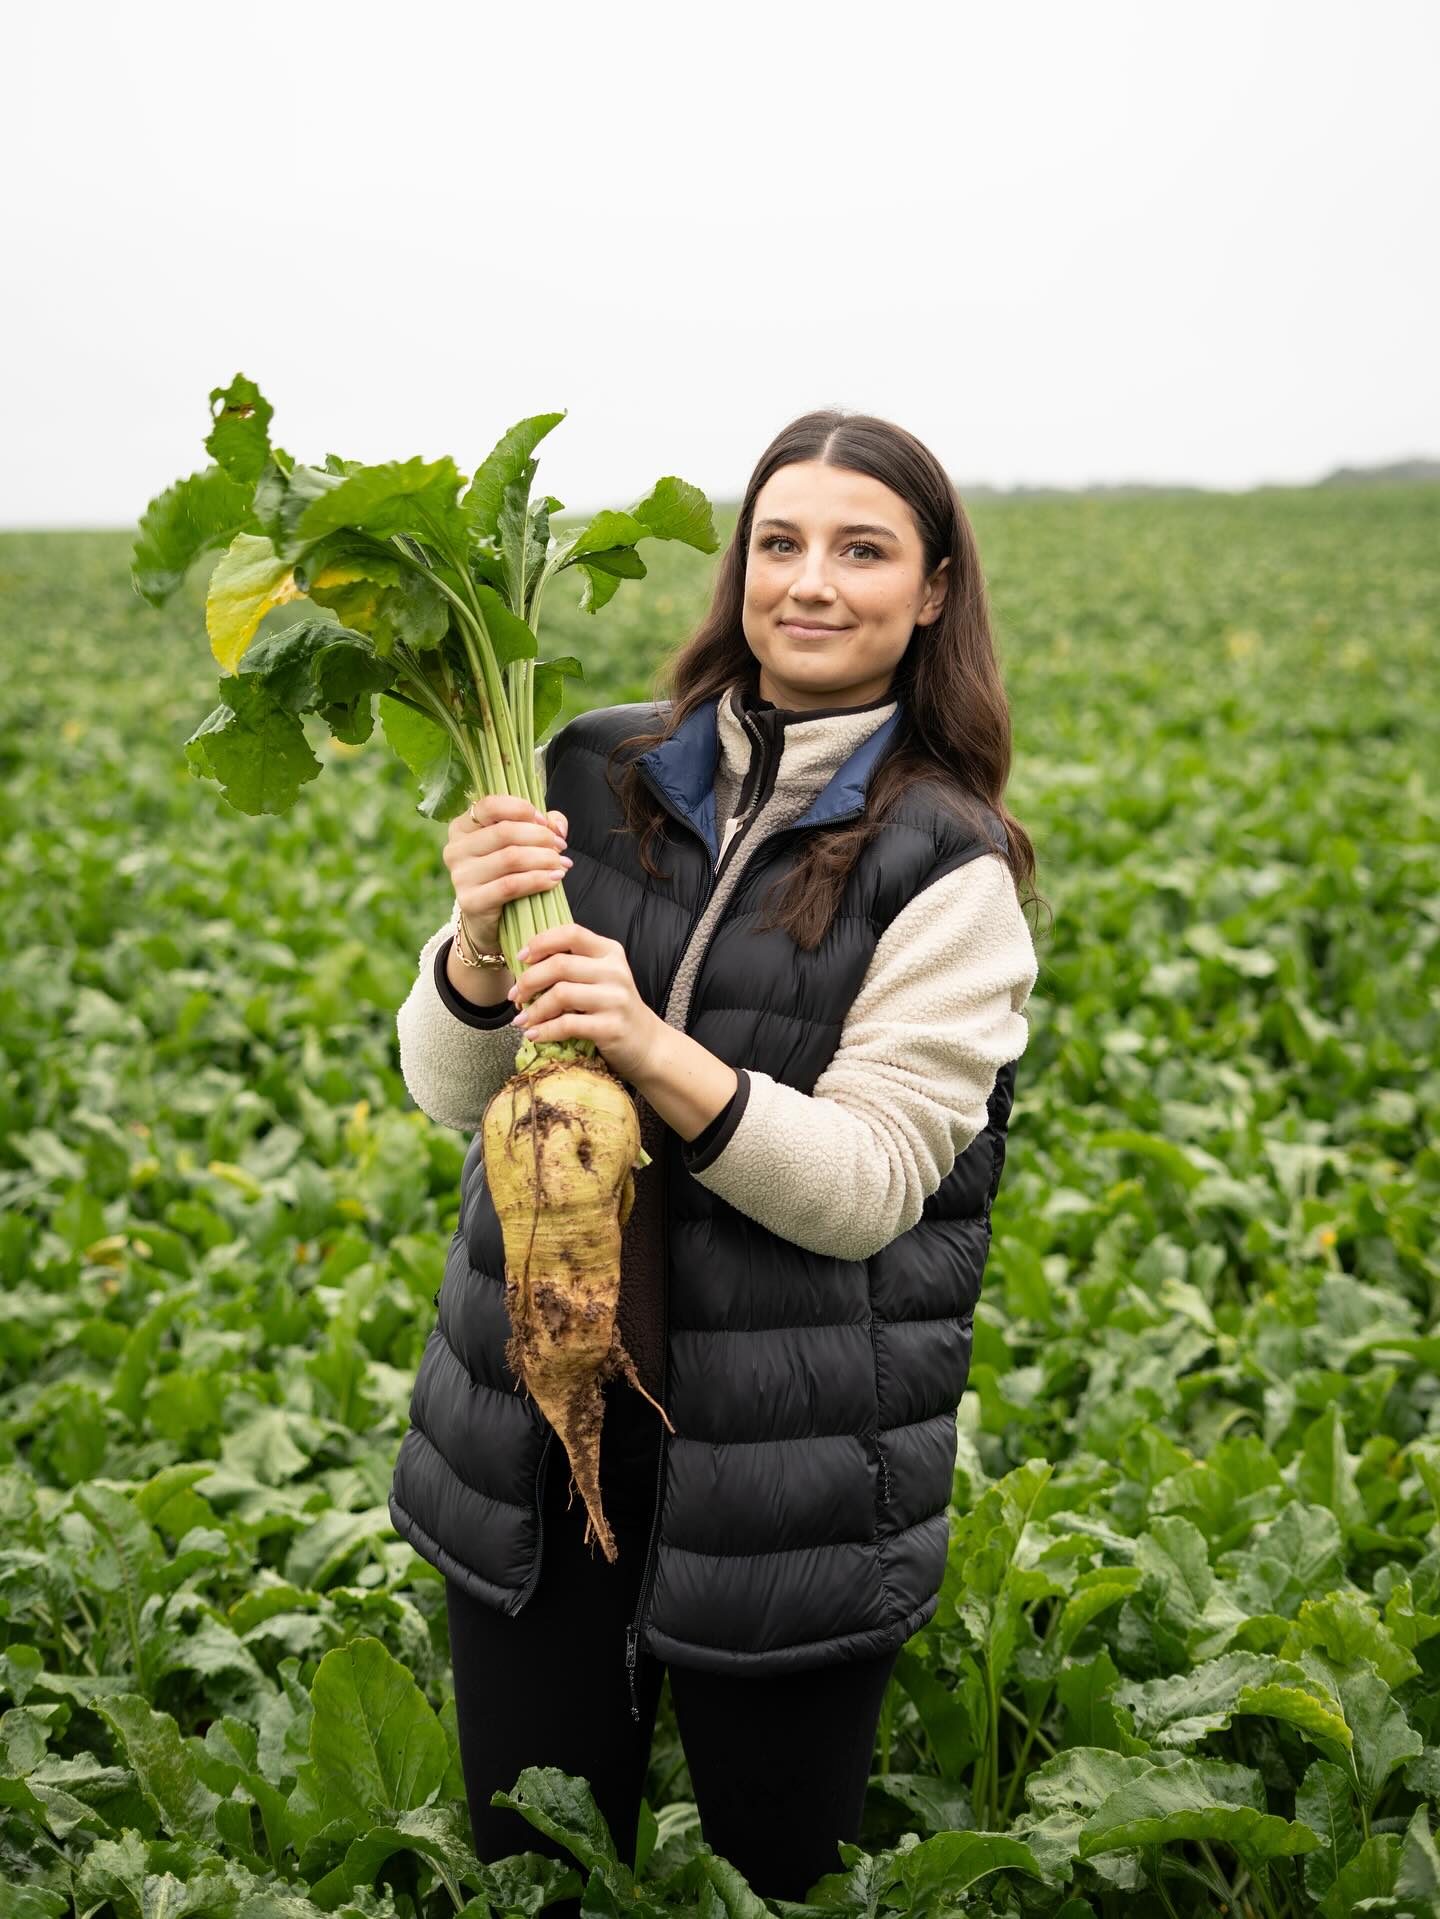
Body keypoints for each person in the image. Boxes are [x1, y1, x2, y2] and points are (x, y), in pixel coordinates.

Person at [388, 409, 1045, 1906]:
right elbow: (451, 1092)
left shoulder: (950, 866)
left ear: (934, 589)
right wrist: (480, 952)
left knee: (772, 1882)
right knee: (534, 1870)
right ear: (741, 568)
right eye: (780, 543)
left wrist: (648, 1046)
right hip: (537, 1436)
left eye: (862, 550)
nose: (811, 582)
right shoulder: (594, 764)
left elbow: (873, 1183)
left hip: (793, 1480)